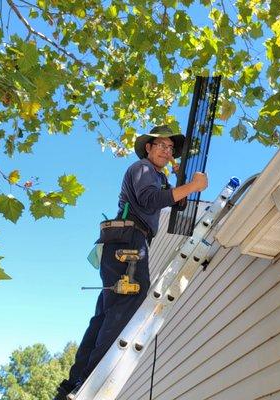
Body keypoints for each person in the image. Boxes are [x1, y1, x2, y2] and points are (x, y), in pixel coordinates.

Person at [54, 125, 208, 399]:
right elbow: (150, 200)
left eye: (171, 148)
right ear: (148, 148)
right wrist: (193, 185)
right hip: (129, 240)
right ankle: (90, 380)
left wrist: (180, 179)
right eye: (161, 145)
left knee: (105, 314)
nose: (167, 150)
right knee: (130, 299)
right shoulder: (142, 169)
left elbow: (177, 203)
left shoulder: (158, 177)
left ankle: (74, 384)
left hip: (123, 242)